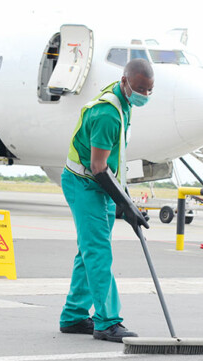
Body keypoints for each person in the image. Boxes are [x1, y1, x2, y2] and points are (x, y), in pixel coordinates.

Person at [59, 59, 154, 343]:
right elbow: (98, 166)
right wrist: (125, 204)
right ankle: (107, 322)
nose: (144, 95)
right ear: (124, 82)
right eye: (139, 89)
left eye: (149, 90)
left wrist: (125, 201)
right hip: (85, 184)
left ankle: (74, 315)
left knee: (89, 250)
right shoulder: (107, 114)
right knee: (98, 250)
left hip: (98, 184)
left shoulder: (124, 102)